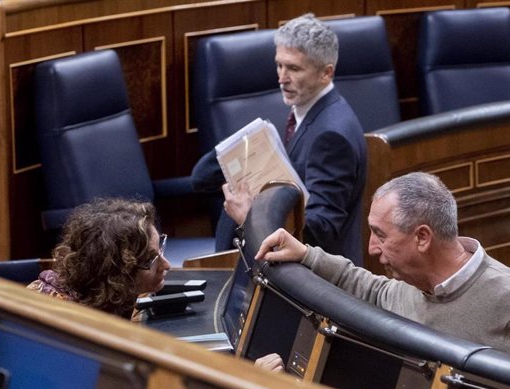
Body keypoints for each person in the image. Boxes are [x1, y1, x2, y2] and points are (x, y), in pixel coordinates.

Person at [254, 172, 510, 377]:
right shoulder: (413, 285)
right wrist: (308, 255)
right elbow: (371, 291)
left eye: (381, 235)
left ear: (422, 237)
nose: (372, 248)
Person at [191, 13, 367, 265]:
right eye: (279, 65)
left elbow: (321, 231)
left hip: (315, 284)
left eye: (294, 68)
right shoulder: (306, 113)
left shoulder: (331, 135)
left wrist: (250, 216)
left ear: (326, 73)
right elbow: (201, 178)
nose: (282, 78)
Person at [27, 198, 171, 319]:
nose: (166, 265)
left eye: (160, 249)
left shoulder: (107, 299)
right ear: (116, 274)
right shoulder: (71, 323)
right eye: (149, 260)